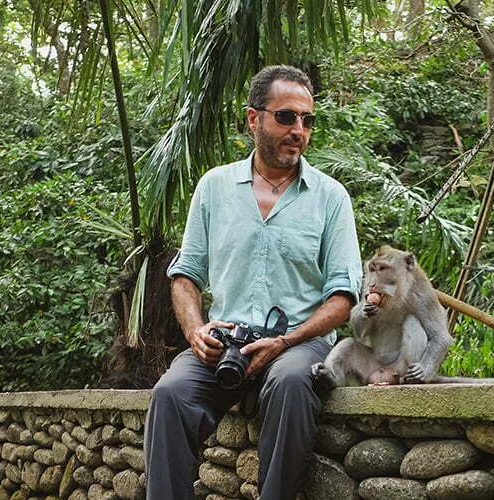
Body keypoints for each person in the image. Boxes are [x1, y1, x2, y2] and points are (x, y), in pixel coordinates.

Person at [144, 65, 362, 500]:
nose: (299, 130)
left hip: (299, 343)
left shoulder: (330, 196)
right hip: (226, 342)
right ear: (253, 119)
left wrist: (286, 341)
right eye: (286, 117)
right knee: (169, 394)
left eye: (307, 120)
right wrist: (195, 330)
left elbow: (343, 297)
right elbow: (185, 275)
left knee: (291, 383)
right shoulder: (214, 187)